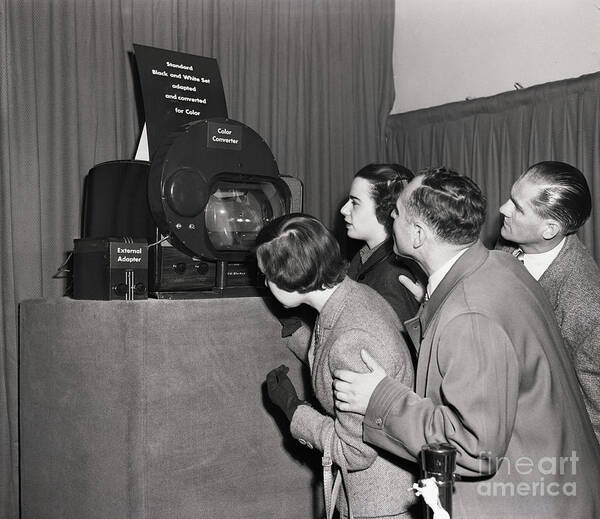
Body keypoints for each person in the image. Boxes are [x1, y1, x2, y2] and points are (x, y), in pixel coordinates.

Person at [333, 169, 600, 518]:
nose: (390, 218)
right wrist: (433, 307)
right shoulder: (501, 263)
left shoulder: (469, 316)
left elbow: (473, 447)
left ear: (417, 235)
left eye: (395, 212)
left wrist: (378, 398)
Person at [257, 214, 417, 519]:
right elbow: (335, 354)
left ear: (290, 275)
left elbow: (354, 450)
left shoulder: (352, 337)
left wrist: (293, 410)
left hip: (380, 505)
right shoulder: (352, 296)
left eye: (267, 275)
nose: (265, 283)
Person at [497, 160, 600, 442]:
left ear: (549, 229)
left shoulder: (585, 303)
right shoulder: (506, 246)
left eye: (517, 207)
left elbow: (595, 414)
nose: (503, 209)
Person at [340, 164, 423, 330]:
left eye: (355, 203)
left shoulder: (395, 276)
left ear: (386, 209)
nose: (344, 210)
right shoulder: (363, 256)